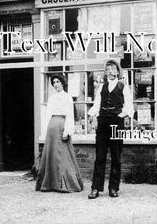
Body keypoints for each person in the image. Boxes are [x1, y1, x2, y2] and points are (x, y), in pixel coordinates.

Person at [87, 59, 134, 199]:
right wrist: (92, 116)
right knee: (100, 157)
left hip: (116, 123)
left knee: (116, 157)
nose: (110, 71)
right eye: (108, 69)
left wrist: (118, 116)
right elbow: (96, 105)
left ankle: (113, 188)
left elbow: (129, 107)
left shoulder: (123, 87)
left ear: (118, 72)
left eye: (113, 68)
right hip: (102, 124)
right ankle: (96, 188)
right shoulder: (101, 87)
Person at [36, 74, 84, 192]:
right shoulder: (51, 98)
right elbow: (48, 114)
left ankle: (64, 184)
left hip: (62, 125)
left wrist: (67, 131)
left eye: (58, 82)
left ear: (63, 83)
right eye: (54, 82)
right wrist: (45, 130)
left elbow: (70, 115)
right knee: (51, 154)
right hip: (52, 127)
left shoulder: (67, 97)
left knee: (63, 155)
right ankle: (50, 184)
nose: (56, 84)